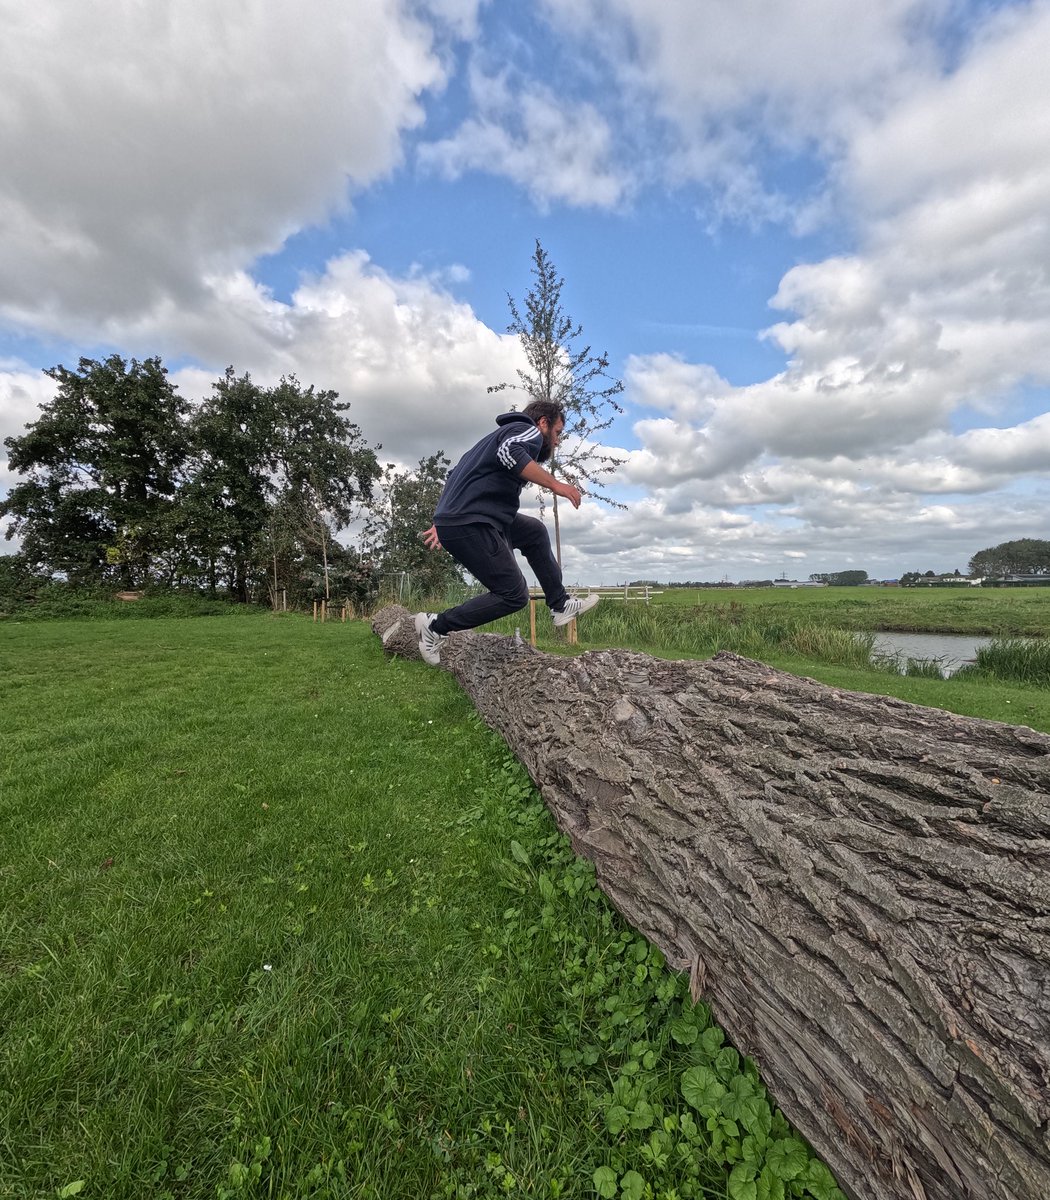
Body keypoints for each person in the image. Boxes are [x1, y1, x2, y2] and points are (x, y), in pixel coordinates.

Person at [414, 399, 599, 665]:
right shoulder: (527, 431)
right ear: (543, 423)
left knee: (534, 531)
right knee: (513, 595)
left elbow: (456, 474)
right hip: (471, 522)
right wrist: (556, 485)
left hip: (468, 518)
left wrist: (440, 518)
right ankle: (435, 627)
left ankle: (560, 604)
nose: (557, 442)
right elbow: (509, 452)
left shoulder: (487, 442)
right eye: (557, 433)